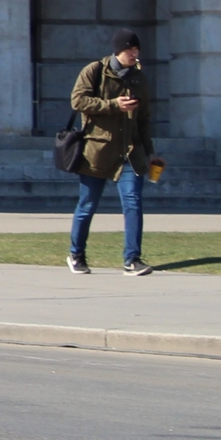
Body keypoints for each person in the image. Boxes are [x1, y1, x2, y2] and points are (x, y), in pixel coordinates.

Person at [65, 29, 155, 276]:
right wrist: (113, 105)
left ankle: (132, 259)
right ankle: (76, 254)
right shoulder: (94, 71)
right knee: (87, 205)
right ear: (118, 51)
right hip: (97, 150)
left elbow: (144, 119)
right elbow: (78, 101)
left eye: (137, 51)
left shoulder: (139, 78)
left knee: (133, 203)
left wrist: (150, 152)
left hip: (130, 152)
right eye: (130, 50)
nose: (134, 55)